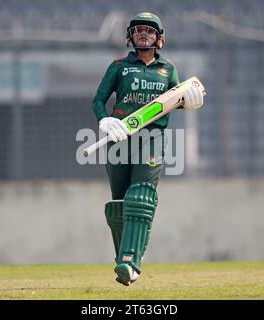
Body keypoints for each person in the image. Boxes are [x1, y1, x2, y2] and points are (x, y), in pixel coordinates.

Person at [92, 12, 204, 286]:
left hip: (152, 139)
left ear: (160, 38)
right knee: (119, 204)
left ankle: (130, 261)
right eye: (139, 30)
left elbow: (180, 97)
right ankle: (125, 266)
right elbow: (98, 100)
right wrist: (105, 120)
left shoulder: (168, 69)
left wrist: (190, 101)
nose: (144, 34)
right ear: (130, 36)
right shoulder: (118, 67)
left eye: (150, 31)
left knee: (140, 196)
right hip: (118, 140)